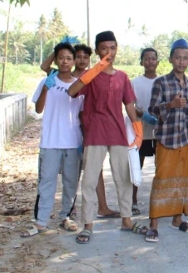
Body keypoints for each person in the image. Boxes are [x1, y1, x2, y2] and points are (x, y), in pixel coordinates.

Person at [68, 30, 147, 244]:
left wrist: (138, 131)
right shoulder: (91, 76)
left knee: (124, 178)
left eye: (112, 48)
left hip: (118, 132)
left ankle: (127, 221)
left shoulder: (122, 77)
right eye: (104, 48)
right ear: (97, 50)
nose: (109, 52)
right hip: (95, 133)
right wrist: (95, 69)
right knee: (90, 180)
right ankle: (88, 225)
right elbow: (73, 91)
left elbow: (129, 105)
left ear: (117, 49)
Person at [41, 40, 120, 220]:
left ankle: (102, 206)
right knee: (68, 175)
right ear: (72, 59)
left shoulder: (89, 77)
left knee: (93, 169)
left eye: (86, 57)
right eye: (78, 57)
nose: (82, 60)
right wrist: (58, 48)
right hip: (63, 135)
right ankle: (70, 210)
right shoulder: (59, 76)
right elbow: (44, 66)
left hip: (85, 130)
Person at [21, 43, 83, 238]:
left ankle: (65, 216)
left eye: (69, 58)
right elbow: (39, 110)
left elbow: (83, 113)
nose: (65, 61)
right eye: (61, 57)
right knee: (46, 182)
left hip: (73, 142)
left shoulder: (79, 85)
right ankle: (41, 221)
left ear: (74, 62)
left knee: (71, 182)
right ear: (56, 60)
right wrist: (46, 89)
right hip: (49, 141)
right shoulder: (47, 81)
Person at [144, 39, 188, 242]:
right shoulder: (161, 82)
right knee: (161, 181)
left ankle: (178, 219)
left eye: (185, 58)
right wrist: (171, 105)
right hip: (166, 139)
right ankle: (153, 224)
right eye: (178, 57)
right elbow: (152, 109)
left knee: (182, 179)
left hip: (185, 139)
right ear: (170, 59)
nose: (182, 61)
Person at [130, 48, 160, 215]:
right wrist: (141, 114)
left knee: (160, 166)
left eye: (153, 58)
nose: (150, 62)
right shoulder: (135, 82)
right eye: (146, 59)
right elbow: (130, 105)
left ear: (158, 61)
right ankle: (133, 200)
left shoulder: (163, 81)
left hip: (159, 130)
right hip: (140, 130)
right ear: (141, 62)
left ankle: (158, 200)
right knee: (137, 166)